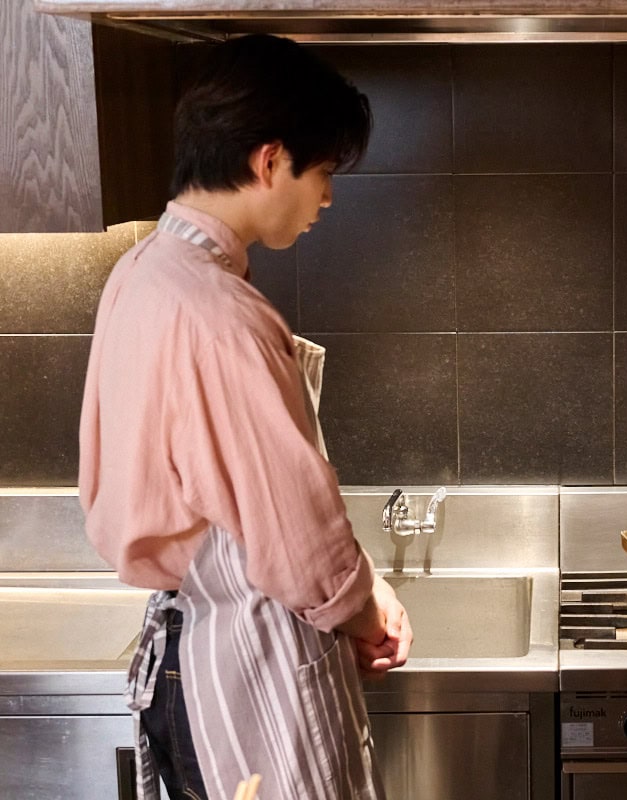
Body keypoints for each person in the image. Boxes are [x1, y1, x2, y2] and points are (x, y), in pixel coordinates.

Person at [78, 34, 410, 800]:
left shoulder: (140, 274)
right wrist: (367, 613)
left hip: (181, 661)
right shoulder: (222, 314)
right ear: (269, 161)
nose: (327, 198)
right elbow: (299, 543)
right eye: (324, 173)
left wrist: (361, 594)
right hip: (247, 675)